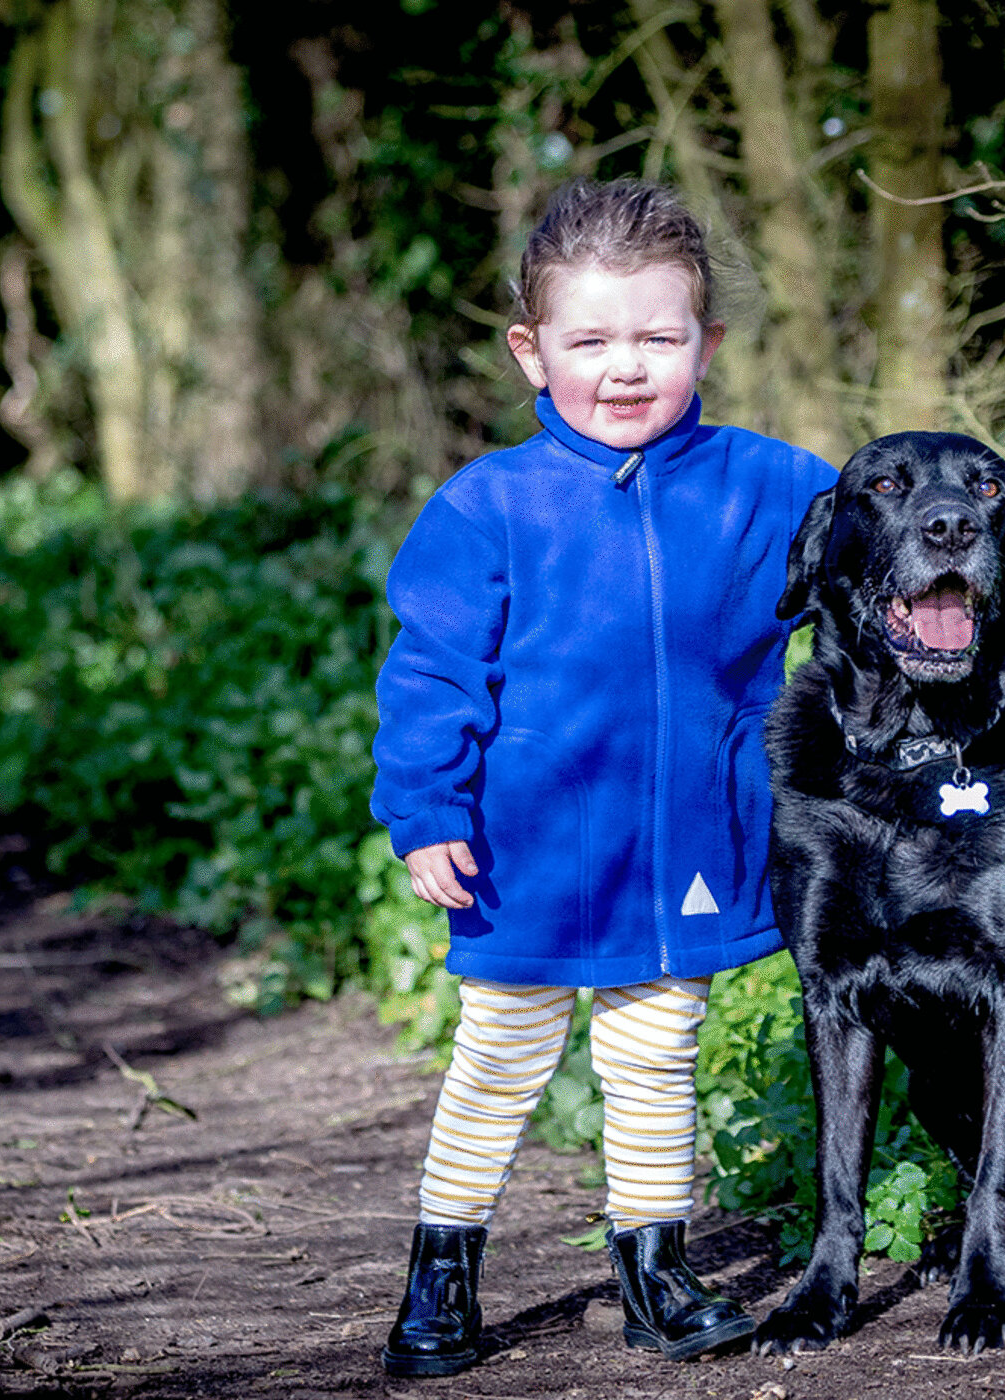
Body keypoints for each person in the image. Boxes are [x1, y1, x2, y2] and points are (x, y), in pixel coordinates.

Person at [370, 176, 836, 1376]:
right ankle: (441, 1270)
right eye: (588, 341)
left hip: (689, 834)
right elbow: (430, 673)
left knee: (653, 1052)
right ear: (531, 352)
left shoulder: (770, 486)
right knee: (499, 1057)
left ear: (705, 344)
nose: (624, 366)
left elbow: (878, 543)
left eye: (656, 338)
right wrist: (425, 807)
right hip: (524, 843)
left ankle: (654, 1272)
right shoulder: (486, 506)